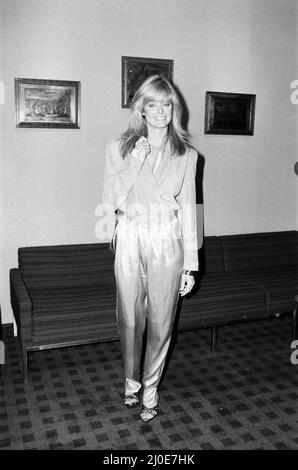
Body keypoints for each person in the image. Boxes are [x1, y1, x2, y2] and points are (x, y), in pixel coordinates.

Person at [102, 74, 199, 422]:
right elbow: (109, 199)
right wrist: (134, 163)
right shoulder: (119, 147)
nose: (160, 111)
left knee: (162, 320)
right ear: (141, 108)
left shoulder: (186, 154)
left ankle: (151, 388)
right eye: (152, 103)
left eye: (167, 103)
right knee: (129, 317)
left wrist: (191, 264)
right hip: (129, 234)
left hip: (166, 238)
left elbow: (189, 208)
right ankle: (131, 383)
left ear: (175, 108)